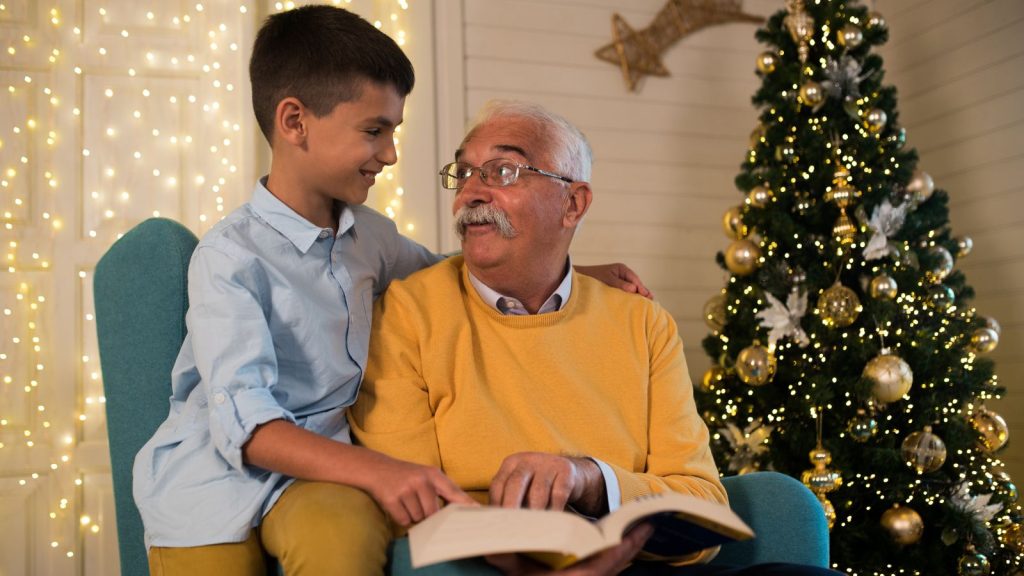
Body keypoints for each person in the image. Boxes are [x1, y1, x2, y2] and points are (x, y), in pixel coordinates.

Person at [133, 7, 647, 576]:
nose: (391, 154)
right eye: (374, 131)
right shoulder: (229, 259)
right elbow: (247, 423)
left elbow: (450, 274)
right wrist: (382, 471)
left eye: (393, 132)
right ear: (295, 122)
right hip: (214, 481)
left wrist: (577, 272)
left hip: (319, 482)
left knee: (342, 537)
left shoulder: (369, 237)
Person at [350, 100, 845, 576]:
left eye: (502, 172)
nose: (471, 193)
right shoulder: (405, 314)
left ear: (573, 203)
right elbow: (409, 508)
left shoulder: (644, 324)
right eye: (464, 173)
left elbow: (703, 509)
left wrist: (589, 480)